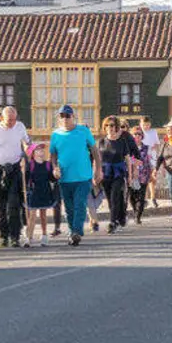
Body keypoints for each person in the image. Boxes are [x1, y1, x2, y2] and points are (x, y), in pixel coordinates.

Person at [51, 104, 100, 246]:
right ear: (59, 118)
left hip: (83, 177)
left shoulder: (83, 131)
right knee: (69, 207)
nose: (65, 118)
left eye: (67, 115)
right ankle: (72, 232)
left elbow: (95, 150)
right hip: (64, 178)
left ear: (73, 117)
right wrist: (54, 168)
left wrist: (98, 170)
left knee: (80, 204)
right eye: (62, 116)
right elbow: (53, 155)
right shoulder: (55, 135)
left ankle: (77, 232)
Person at [0, 106, 30, 248]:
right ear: (1, 119)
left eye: (14, 119)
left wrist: (27, 154)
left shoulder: (20, 126)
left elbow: (26, 143)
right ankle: (3, 237)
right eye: (9, 120)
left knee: (14, 204)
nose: (12, 122)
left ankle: (15, 236)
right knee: (0, 206)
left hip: (15, 169)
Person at [97, 116, 137, 233]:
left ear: (116, 127)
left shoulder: (122, 141)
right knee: (111, 199)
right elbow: (97, 160)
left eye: (112, 125)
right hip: (105, 173)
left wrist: (130, 175)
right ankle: (120, 217)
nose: (110, 127)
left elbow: (128, 159)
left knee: (115, 196)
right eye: (107, 125)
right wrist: (96, 173)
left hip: (119, 173)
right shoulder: (101, 142)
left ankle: (112, 222)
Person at [24, 144, 57, 246]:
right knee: (32, 215)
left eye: (42, 149)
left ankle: (44, 236)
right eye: (38, 150)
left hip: (45, 191)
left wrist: (56, 175)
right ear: (33, 153)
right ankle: (29, 237)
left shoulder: (48, 165)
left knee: (43, 215)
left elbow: (52, 179)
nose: (41, 151)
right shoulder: (30, 165)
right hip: (33, 192)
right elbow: (25, 179)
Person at [128, 127, 152, 224]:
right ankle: (135, 210)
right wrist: (133, 162)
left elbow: (151, 160)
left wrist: (152, 173)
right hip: (131, 175)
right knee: (132, 196)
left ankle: (138, 216)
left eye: (139, 134)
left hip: (143, 175)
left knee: (141, 196)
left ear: (142, 136)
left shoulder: (147, 147)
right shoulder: (128, 148)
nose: (137, 136)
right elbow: (126, 159)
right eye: (135, 134)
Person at [139, 117, 162, 208]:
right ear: (140, 124)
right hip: (142, 157)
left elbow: (157, 143)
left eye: (147, 125)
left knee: (152, 177)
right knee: (143, 178)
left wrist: (155, 148)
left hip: (152, 157)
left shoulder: (153, 132)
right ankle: (143, 198)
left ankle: (153, 197)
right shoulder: (138, 132)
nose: (146, 126)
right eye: (144, 125)